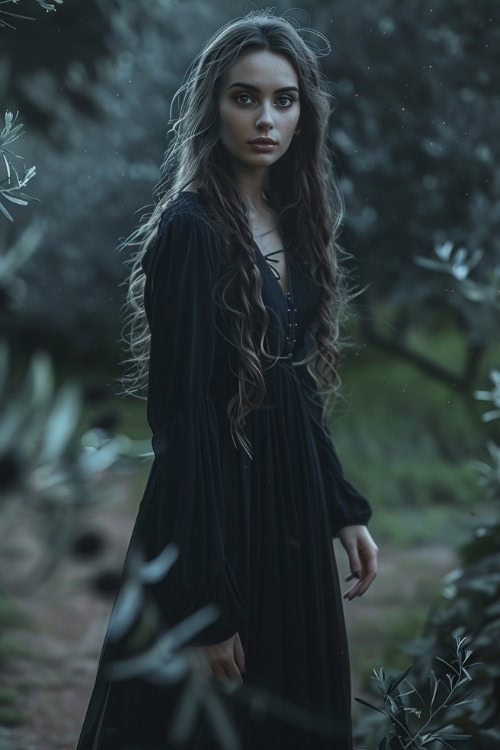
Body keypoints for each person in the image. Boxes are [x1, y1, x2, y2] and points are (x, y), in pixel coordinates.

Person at [76, 9, 378, 750]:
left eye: (284, 99)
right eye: (245, 97)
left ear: (305, 112)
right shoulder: (190, 231)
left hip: (292, 515)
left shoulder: (295, 219)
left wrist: (342, 506)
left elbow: (297, 383)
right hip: (215, 520)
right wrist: (205, 603)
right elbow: (181, 423)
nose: (265, 118)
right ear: (214, 105)